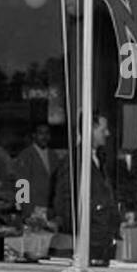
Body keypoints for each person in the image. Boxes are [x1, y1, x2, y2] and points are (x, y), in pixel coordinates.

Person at [52, 112, 122, 263]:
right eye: (103, 130)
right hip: (88, 236)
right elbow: (64, 200)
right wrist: (22, 205)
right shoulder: (73, 161)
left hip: (102, 235)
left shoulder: (100, 157)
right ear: (90, 129)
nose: (107, 133)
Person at [10, 122, 61, 221]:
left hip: (51, 209)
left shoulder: (53, 155)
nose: (44, 137)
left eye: (47, 133)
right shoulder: (26, 155)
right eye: (41, 133)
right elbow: (21, 184)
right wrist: (25, 211)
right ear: (34, 135)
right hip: (33, 209)